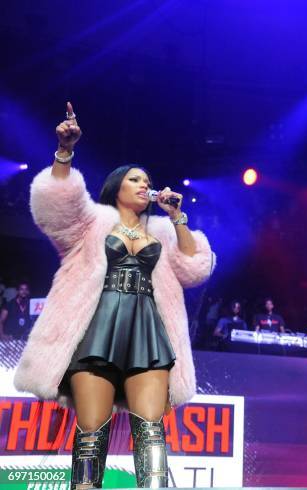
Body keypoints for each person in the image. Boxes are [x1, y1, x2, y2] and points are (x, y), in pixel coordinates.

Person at [13, 102, 216, 489]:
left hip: (148, 331)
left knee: (151, 430)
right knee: (91, 430)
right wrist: (64, 152)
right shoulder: (90, 224)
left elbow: (196, 268)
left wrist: (177, 217)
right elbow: (54, 209)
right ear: (116, 188)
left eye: (147, 180)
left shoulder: (164, 230)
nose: (144, 184)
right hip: (99, 329)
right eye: (135, 180)